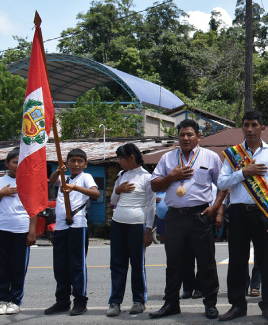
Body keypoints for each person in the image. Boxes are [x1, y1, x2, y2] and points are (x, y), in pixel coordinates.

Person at [149, 119, 225, 320]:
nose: (185, 138)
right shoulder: (167, 158)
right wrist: (171, 177)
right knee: (174, 263)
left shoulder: (210, 157)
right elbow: (155, 185)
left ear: (198, 136)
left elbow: (224, 185)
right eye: (182, 134)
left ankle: (210, 304)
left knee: (206, 262)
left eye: (190, 134)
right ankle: (171, 303)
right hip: (174, 216)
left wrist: (216, 208)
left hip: (200, 215)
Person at [217, 110, 268, 322]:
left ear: (262, 128)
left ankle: (267, 306)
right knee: (237, 261)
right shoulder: (232, 153)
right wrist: (244, 172)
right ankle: (237, 305)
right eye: (246, 125)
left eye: (254, 125)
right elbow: (221, 183)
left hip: (263, 213)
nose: (249, 129)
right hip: (237, 213)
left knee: (266, 261)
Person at [44, 148, 100, 316]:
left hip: (77, 226)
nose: (76, 164)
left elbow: (95, 193)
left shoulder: (85, 177)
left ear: (85, 164)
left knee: (77, 265)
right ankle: (62, 301)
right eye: (72, 161)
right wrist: (58, 171)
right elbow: (51, 182)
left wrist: (75, 187)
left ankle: (80, 301)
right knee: (60, 265)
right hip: (61, 227)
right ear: (67, 163)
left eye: (79, 161)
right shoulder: (63, 177)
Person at [106, 144, 156, 317]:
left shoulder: (147, 178)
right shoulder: (121, 175)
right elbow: (113, 200)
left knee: (137, 264)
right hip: (118, 223)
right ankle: (115, 302)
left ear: (131, 158)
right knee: (117, 264)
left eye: (121, 158)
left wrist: (148, 230)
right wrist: (118, 190)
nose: (119, 162)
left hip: (137, 225)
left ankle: (139, 300)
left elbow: (151, 206)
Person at [0, 148, 37, 315]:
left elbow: (34, 210)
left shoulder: (29, 182)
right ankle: (2, 299)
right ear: (7, 163)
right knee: (2, 266)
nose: (18, 166)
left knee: (18, 267)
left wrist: (32, 231)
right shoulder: (1, 181)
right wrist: (2, 193)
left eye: (21, 163)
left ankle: (15, 300)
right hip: (2, 228)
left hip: (21, 230)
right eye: (15, 162)